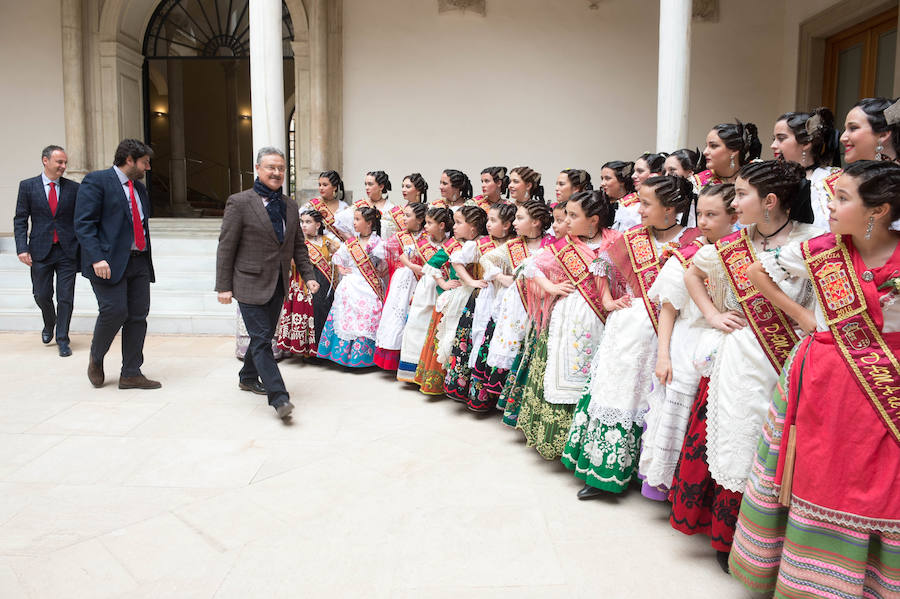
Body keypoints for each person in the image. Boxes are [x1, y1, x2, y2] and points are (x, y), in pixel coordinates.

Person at [730, 160, 900, 596]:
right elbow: (756, 273)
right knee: (823, 474)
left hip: (887, 381)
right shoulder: (821, 251)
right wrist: (808, 318)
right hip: (825, 379)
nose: (830, 206)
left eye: (843, 199)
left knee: (884, 481)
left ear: (877, 211)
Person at [669, 160, 822, 571]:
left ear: (769, 201)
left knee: (776, 447)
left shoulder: (812, 241)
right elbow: (692, 275)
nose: (734, 204)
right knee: (738, 441)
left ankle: (774, 543)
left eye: (740, 195)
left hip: (791, 356)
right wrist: (713, 315)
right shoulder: (734, 245)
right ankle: (728, 538)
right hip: (740, 357)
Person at [561, 175, 699, 498]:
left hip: (670, 331)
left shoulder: (691, 240)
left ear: (669, 209)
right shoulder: (634, 238)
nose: (638, 210)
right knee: (620, 395)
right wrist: (608, 301)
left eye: (646, 204)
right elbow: (600, 266)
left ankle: (647, 473)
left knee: (654, 401)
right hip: (631, 332)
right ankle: (604, 474)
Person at [215, 146, 319, 420]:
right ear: (258, 169)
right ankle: (279, 397)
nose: (276, 172)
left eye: (281, 168)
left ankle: (248, 376)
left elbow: (298, 245)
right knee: (262, 339)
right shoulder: (239, 202)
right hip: (247, 283)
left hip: (278, 284)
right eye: (271, 167)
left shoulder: (289, 205)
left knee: (261, 337)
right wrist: (223, 286)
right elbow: (226, 247)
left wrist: (308, 276)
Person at [74, 138, 160, 390]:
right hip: (107, 262)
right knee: (114, 311)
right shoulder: (96, 181)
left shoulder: (139, 188)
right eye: (145, 162)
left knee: (137, 316)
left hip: (139, 262)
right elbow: (83, 224)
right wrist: (97, 257)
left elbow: (140, 223)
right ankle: (96, 356)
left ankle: (131, 372)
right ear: (129, 160)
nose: (148, 168)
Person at [14, 145, 80, 357]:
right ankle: (49, 322)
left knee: (66, 297)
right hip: (40, 250)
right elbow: (21, 220)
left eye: (64, 163)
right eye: (59, 162)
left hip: (67, 250)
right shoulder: (28, 186)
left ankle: (62, 338)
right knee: (42, 295)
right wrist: (22, 248)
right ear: (45, 161)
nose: (63, 166)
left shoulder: (73, 188)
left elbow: (80, 220)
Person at [275, 209, 337, 357]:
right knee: (307, 316)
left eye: (308, 222)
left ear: (318, 224)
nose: (303, 225)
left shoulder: (327, 242)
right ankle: (308, 352)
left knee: (322, 314)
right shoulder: (298, 242)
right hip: (302, 285)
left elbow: (338, 258)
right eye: (302, 222)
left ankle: (323, 350)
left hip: (324, 285)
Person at [771, 107, 842, 229]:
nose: (773, 146)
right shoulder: (770, 177)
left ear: (805, 143)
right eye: (774, 139)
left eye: (781, 138)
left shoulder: (833, 179)